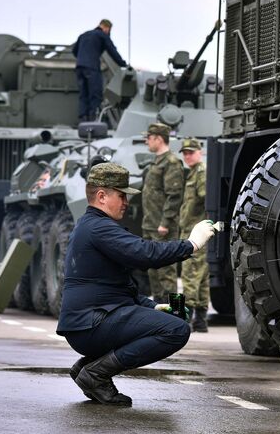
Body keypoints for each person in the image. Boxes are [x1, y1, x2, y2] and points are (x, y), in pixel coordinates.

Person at [56, 162, 217, 406]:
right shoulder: (99, 228)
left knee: (169, 322)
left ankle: (88, 367)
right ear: (101, 196)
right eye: (121, 196)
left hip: (87, 322)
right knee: (176, 330)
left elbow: (120, 287)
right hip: (92, 323)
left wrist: (153, 307)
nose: (126, 202)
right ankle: (96, 373)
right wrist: (191, 245)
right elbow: (145, 253)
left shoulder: (90, 226)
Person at [141, 123, 184, 303]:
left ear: (159, 139)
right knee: (153, 271)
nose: (146, 141)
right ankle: (159, 312)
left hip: (162, 226)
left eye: (149, 138)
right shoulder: (156, 161)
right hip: (150, 224)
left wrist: (165, 222)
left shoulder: (171, 162)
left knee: (167, 272)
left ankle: (176, 314)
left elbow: (174, 196)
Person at [178, 138, 209, 332]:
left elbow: (206, 199)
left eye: (191, 152)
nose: (187, 156)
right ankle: (201, 320)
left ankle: (184, 318)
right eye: (185, 153)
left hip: (196, 234)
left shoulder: (201, 173)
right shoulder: (194, 173)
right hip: (194, 232)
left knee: (189, 274)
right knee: (202, 276)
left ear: (200, 152)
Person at [72, 19, 127, 124]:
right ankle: (94, 119)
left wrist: (82, 58)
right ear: (107, 28)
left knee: (83, 94)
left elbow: (74, 51)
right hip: (92, 67)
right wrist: (123, 64)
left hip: (79, 68)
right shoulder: (102, 35)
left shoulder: (84, 35)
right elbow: (112, 51)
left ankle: (83, 118)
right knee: (95, 93)